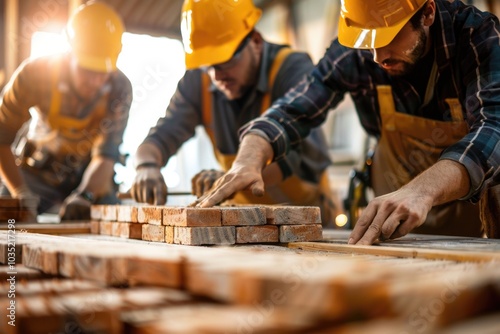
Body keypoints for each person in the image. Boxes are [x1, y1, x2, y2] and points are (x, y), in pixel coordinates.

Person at [195, 0, 500, 244]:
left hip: (476, 205)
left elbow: (494, 127)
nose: (378, 56)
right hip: (395, 204)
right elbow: (294, 108)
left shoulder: (478, 37)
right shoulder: (356, 53)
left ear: (428, 13)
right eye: (368, 43)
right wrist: (249, 157)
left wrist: (422, 191)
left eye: (388, 38)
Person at [130, 0, 342, 226]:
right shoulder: (197, 82)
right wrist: (147, 167)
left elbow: (295, 158)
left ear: (256, 41)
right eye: (207, 66)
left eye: (224, 61)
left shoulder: (290, 69)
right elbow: (162, 135)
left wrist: (231, 176)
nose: (216, 76)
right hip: (247, 224)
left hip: (308, 222)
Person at [0, 1, 132, 221]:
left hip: (89, 176)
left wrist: (85, 195)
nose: (95, 81)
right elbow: (2, 138)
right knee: (10, 220)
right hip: (36, 174)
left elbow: (106, 156)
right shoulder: (34, 75)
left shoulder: (120, 88)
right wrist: (20, 193)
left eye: (103, 73)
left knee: (110, 220)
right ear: (69, 52)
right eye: (87, 70)